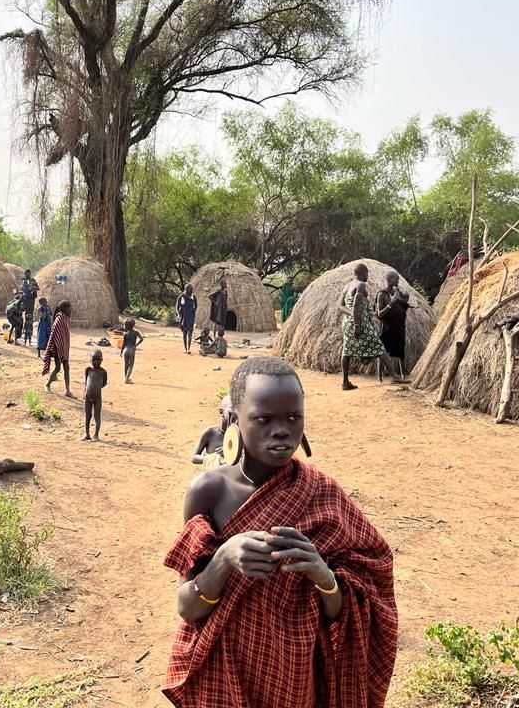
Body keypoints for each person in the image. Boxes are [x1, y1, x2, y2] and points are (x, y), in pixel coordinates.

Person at [162, 356, 398, 707]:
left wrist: (324, 576)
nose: (282, 430)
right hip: (223, 669)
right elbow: (188, 608)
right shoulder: (208, 492)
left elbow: (352, 608)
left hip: (294, 675)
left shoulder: (324, 494)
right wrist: (225, 558)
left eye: (293, 417)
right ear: (236, 419)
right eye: (264, 418)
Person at [339, 263, 398, 391]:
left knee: (347, 350)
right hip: (360, 323)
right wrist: (357, 323)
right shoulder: (360, 285)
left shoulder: (347, 286)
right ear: (362, 273)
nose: (367, 276)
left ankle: (345, 382)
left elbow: (340, 306)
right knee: (378, 347)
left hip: (347, 322)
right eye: (367, 274)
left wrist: (354, 315)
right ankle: (394, 376)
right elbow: (356, 305)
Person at [374, 273, 410, 381]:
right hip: (386, 327)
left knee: (400, 351)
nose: (398, 281)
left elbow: (403, 303)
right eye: (396, 279)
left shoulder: (397, 293)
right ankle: (379, 378)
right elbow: (380, 314)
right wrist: (392, 302)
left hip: (399, 326)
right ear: (389, 280)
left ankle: (403, 377)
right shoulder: (382, 294)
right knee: (383, 351)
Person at [191, 395, 233, 468]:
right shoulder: (210, 433)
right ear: (221, 412)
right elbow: (194, 458)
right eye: (231, 412)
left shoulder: (239, 435)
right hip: (212, 477)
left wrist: (231, 451)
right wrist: (217, 459)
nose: (235, 415)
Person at [43, 300, 74, 397]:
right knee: (57, 368)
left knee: (66, 368)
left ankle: (68, 391)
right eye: (69, 308)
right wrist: (59, 347)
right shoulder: (59, 320)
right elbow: (55, 335)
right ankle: (47, 385)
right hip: (57, 347)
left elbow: (65, 335)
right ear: (64, 309)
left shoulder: (66, 318)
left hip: (64, 348)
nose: (71, 310)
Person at [82, 349, 107, 441]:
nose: (95, 362)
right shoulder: (88, 370)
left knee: (97, 416)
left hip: (97, 397)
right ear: (90, 359)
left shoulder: (103, 372)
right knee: (87, 415)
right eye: (93, 359)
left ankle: (96, 435)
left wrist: (96, 388)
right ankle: (87, 434)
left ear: (102, 360)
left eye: (98, 359)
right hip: (88, 396)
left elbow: (104, 383)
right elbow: (86, 382)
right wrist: (85, 392)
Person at [120, 318, 145, 384]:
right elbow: (142, 339)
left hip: (126, 350)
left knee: (126, 364)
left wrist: (121, 352)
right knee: (131, 365)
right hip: (132, 350)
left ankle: (126, 378)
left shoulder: (125, 334)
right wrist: (135, 346)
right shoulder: (136, 332)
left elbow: (123, 344)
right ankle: (127, 379)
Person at [177, 284, 197, 355]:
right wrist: (179, 314)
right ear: (187, 289)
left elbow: (196, 306)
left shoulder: (193, 297)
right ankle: (185, 348)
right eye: (191, 289)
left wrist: (192, 313)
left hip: (190, 316)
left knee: (190, 332)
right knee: (184, 332)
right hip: (183, 316)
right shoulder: (181, 297)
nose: (192, 290)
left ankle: (189, 348)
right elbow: (177, 306)